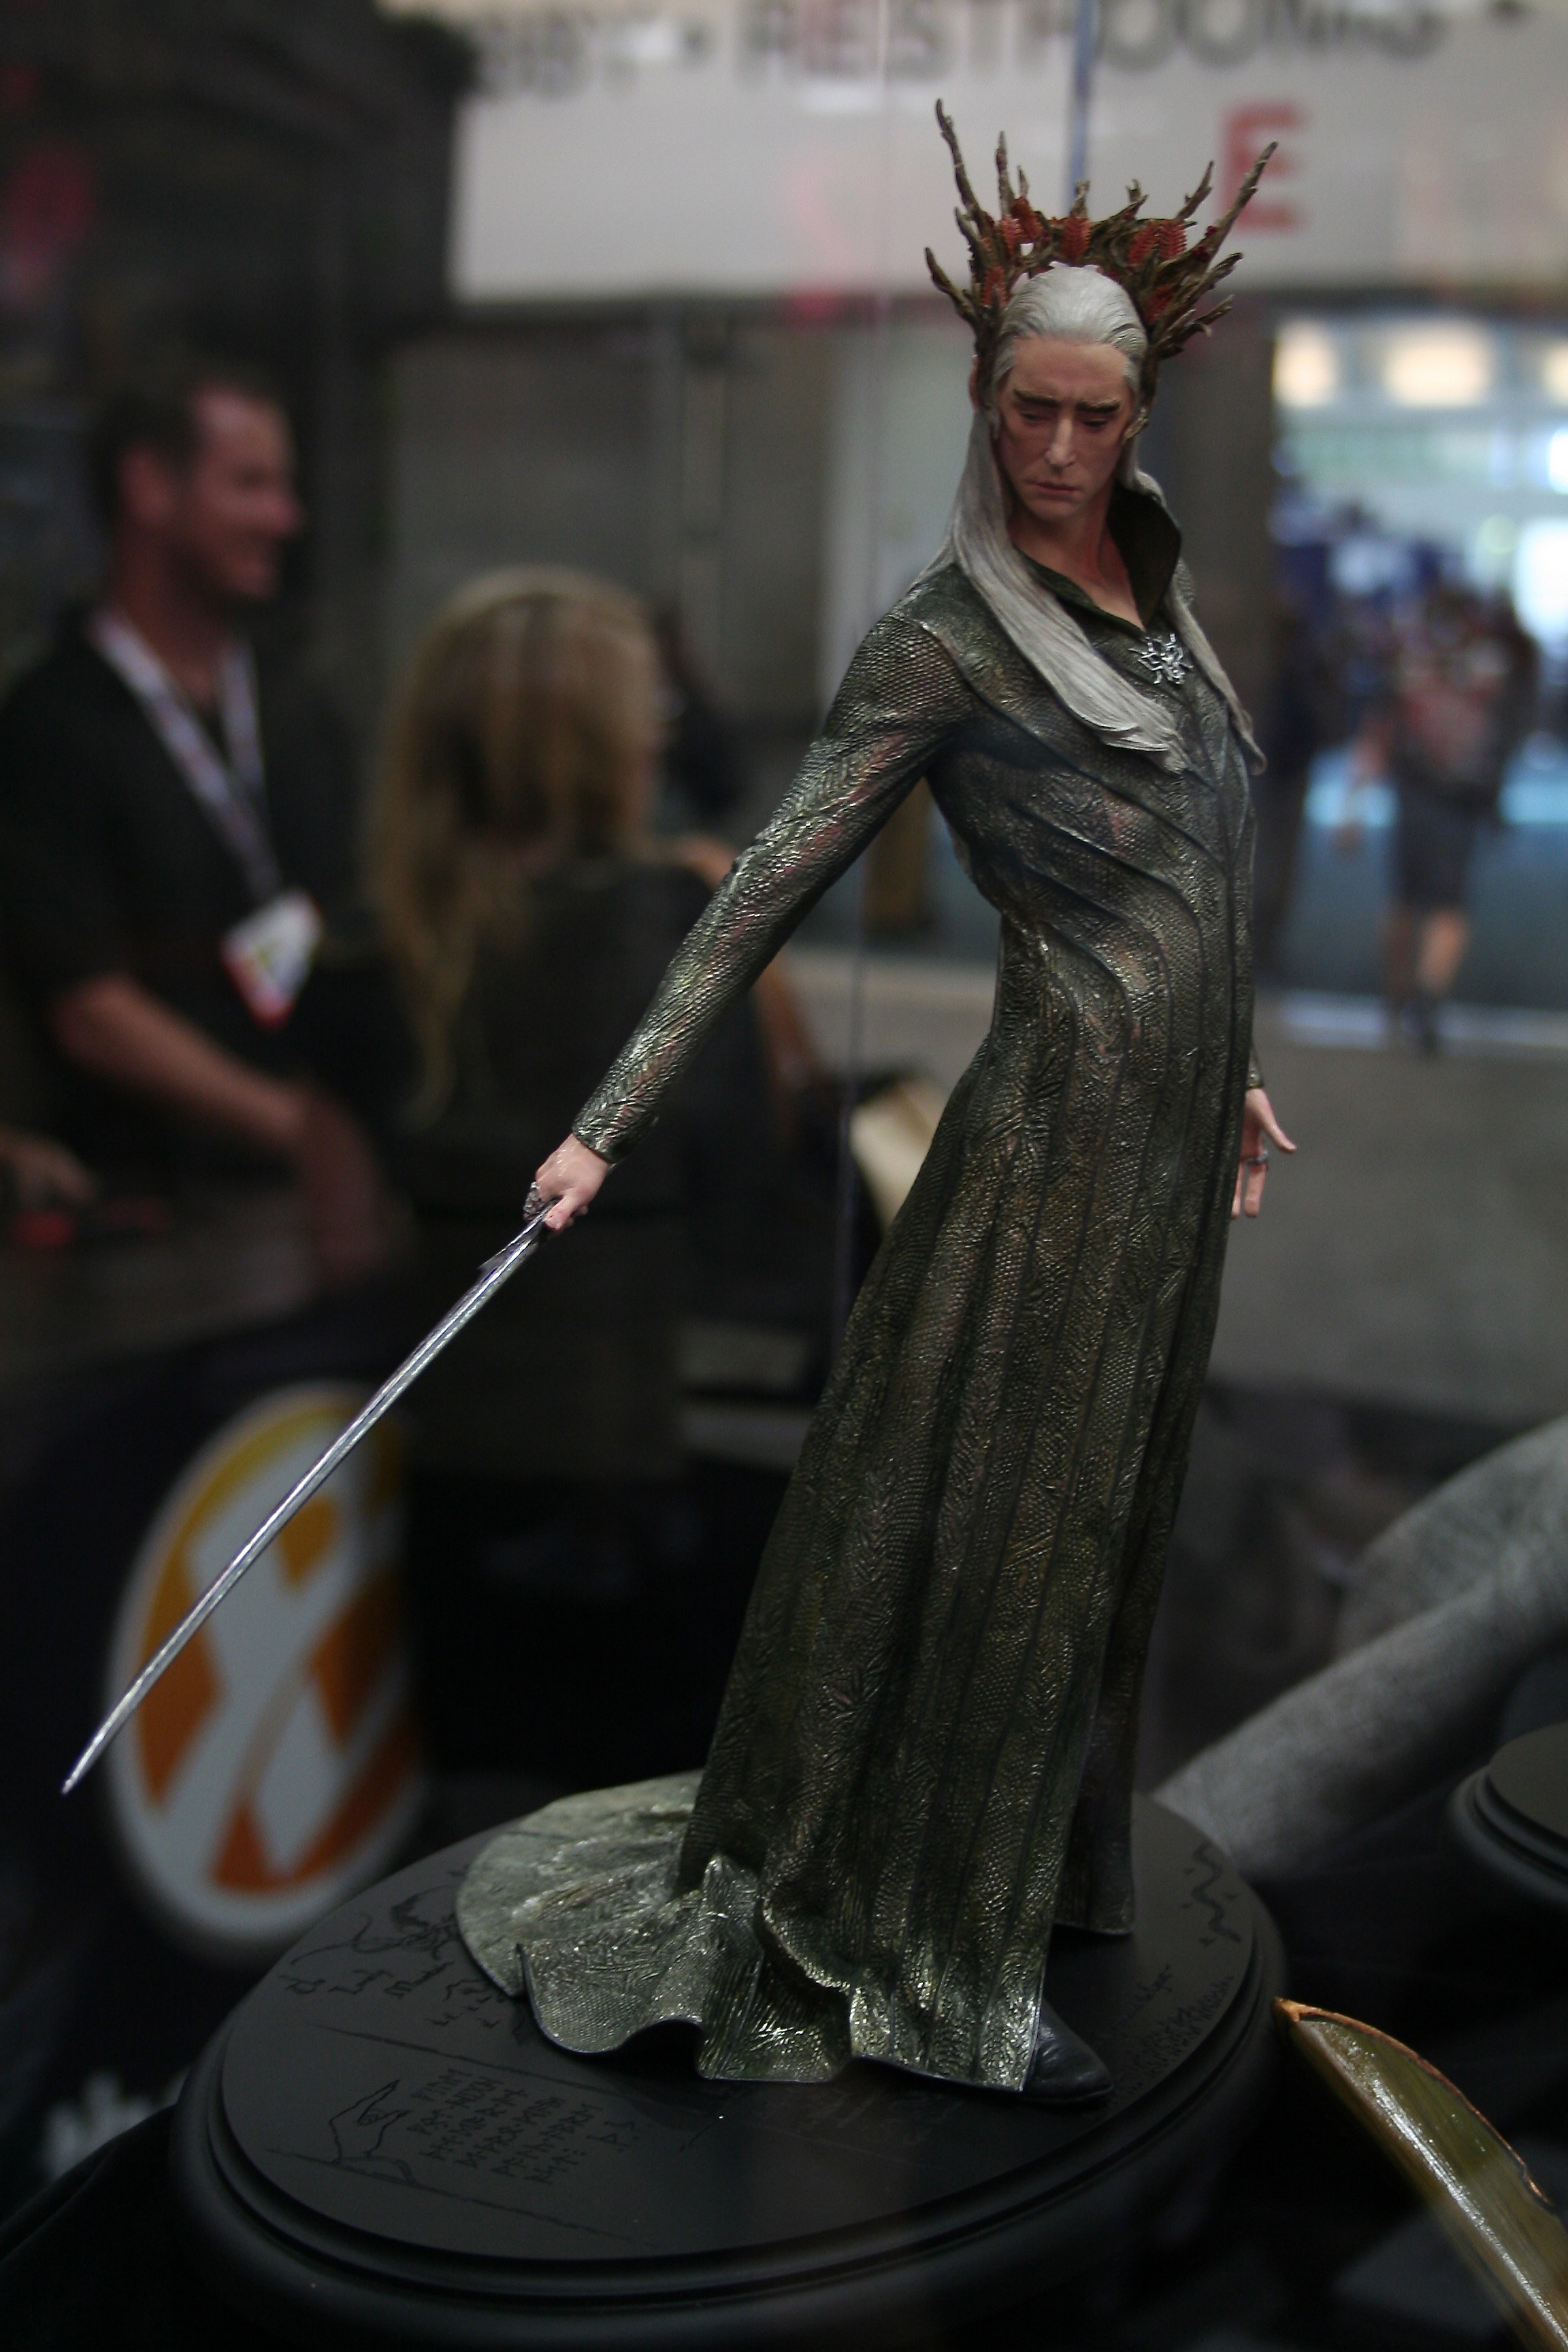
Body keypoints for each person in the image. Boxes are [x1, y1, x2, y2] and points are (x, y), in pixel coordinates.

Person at [457, 113, 1293, 2103]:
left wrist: (1236, 1068)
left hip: (1169, 1141)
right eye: (1029, 410)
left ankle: (1039, 1879)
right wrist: (605, 1123)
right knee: (1008, 1526)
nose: (1059, 450)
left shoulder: (1160, 603)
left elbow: (1191, 870)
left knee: (1111, 1518)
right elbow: (759, 888)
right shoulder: (942, 639)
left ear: (1141, 411)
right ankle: (929, 1953)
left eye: (1095, 415)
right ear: (986, 400)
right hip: (1054, 1144)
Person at [372, 570, 819, 1754]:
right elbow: (759, 1162)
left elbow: (346, 1231)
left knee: (479, 1808)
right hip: (670, 1467)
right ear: (598, 741)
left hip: (464, 1475)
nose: (657, 739)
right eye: (644, 713)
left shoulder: (380, 948)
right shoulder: (686, 923)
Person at [0, 355, 397, 1275]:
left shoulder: (297, 707)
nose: (283, 519)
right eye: (250, 484)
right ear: (148, 485)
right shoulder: (53, 723)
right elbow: (90, 1009)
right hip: (140, 1215)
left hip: (312, 1198)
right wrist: (303, 1129)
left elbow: (344, 927)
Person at [1341, 582, 1537, 1051]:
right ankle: (1428, 999)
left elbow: (1379, 731)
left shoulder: (1411, 663)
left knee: (1405, 898)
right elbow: (1509, 732)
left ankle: (1399, 996)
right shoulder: (1490, 666)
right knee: (1449, 902)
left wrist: (1354, 804)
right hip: (1463, 798)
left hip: (1416, 793)